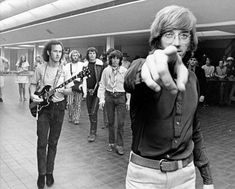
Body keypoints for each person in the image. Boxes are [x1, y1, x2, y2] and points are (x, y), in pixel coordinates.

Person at [124, 5, 214, 189]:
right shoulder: (144, 65)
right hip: (144, 177)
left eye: (184, 35)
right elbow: (132, 78)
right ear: (158, 40)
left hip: (185, 176)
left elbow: (194, 130)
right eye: (169, 34)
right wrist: (144, 68)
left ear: (191, 40)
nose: (177, 42)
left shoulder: (192, 78)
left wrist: (207, 178)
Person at [29, 40, 73, 189]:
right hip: (43, 109)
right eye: (55, 51)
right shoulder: (41, 68)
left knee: (53, 143)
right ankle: (41, 174)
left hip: (59, 108)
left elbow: (69, 89)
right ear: (48, 52)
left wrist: (63, 90)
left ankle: (50, 172)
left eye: (60, 52)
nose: (58, 54)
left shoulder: (64, 70)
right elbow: (33, 84)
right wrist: (33, 95)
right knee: (42, 142)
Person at [98, 50, 130, 155]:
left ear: (120, 60)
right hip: (109, 96)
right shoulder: (106, 71)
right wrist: (101, 99)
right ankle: (111, 143)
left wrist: (128, 100)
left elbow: (128, 87)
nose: (115, 60)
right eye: (113, 58)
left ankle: (120, 145)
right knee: (110, 122)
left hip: (121, 96)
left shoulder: (125, 71)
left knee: (120, 122)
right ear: (110, 59)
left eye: (117, 58)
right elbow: (102, 85)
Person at [84, 47, 104, 142]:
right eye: (90, 53)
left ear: (96, 54)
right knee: (89, 112)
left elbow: (102, 79)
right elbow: (82, 79)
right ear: (88, 55)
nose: (92, 55)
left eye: (93, 53)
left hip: (97, 92)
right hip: (88, 92)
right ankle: (93, 130)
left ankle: (92, 132)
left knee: (93, 112)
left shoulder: (100, 65)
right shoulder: (85, 65)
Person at [65, 50, 87, 125]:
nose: (75, 57)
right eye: (73, 55)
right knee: (70, 103)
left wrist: (83, 85)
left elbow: (85, 75)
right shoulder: (67, 65)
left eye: (76, 55)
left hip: (79, 85)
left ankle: (76, 118)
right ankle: (70, 116)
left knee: (78, 103)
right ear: (71, 57)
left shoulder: (82, 64)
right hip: (70, 85)